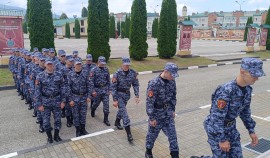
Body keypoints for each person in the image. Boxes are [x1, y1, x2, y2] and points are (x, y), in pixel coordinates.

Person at [202, 58, 265, 158]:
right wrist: (222, 139)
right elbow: (216, 118)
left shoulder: (247, 90)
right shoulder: (226, 91)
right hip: (216, 129)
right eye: (254, 74)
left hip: (231, 128)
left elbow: (245, 112)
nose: (256, 78)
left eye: (258, 75)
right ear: (242, 72)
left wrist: (251, 130)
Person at [145, 62, 180, 158]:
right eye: (172, 75)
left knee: (173, 137)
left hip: (168, 113)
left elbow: (173, 96)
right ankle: (148, 152)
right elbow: (149, 102)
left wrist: (172, 109)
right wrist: (151, 118)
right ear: (165, 71)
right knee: (152, 136)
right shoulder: (154, 83)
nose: (173, 77)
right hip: (156, 114)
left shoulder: (172, 81)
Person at [34, 58, 65, 143]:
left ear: (54, 65)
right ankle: (49, 138)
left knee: (58, 120)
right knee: (46, 122)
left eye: (51, 64)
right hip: (45, 102)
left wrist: (63, 101)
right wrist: (39, 105)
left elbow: (63, 88)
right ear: (45, 65)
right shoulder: (40, 76)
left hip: (57, 101)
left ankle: (56, 136)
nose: (50, 66)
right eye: (48, 64)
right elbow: (37, 91)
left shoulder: (59, 75)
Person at [111, 57, 140, 142]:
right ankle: (129, 133)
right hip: (119, 94)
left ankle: (117, 121)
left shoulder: (133, 73)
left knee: (121, 110)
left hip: (127, 95)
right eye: (125, 65)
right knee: (124, 113)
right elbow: (113, 87)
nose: (127, 66)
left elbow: (135, 84)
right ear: (122, 64)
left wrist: (137, 95)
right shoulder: (117, 73)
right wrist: (115, 99)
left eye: (128, 65)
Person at [67, 59, 93, 137]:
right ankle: (78, 130)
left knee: (83, 114)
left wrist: (89, 96)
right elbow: (68, 88)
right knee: (75, 115)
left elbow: (89, 85)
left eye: (80, 64)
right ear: (74, 65)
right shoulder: (70, 74)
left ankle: (83, 129)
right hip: (75, 98)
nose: (78, 66)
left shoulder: (85, 73)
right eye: (77, 64)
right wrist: (70, 99)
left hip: (84, 97)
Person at [90, 56, 111, 126]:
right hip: (97, 90)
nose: (103, 64)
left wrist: (109, 89)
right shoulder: (93, 70)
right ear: (98, 62)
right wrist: (93, 91)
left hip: (105, 89)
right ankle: (93, 110)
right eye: (101, 63)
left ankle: (106, 119)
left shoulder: (106, 69)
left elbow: (108, 80)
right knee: (96, 103)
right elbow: (91, 82)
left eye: (104, 63)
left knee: (106, 105)